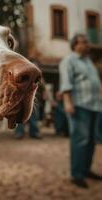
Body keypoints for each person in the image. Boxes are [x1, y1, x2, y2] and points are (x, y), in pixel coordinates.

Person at [59, 34, 102, 188]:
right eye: (82, 42)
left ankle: (86, 169)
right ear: (74, 45)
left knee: (91, 141)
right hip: (79, 106)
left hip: (95, 106)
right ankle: (77, 174)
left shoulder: (88, 61)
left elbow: (95, 82)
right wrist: (67, 102)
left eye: (86, 41)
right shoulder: (69, 60)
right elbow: (66, 82)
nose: (86, 44)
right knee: (80, 140)